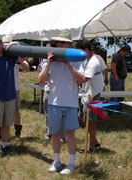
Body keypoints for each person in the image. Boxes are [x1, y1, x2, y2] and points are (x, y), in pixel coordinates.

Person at [38, 31, 84, 175]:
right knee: (55, 134)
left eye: (62, 43)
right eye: (57, 42)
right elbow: (40, 80)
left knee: (70, 134)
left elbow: (81, 79)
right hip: (54, 103)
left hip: (70, 103)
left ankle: (71, 163)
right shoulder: (48, 60)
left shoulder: (76, 60)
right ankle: (57, 161)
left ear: (69, 45)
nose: (58, 45)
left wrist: (68, 65)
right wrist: (49, 64)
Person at [77, 40, 105, 152]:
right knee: (82, 117)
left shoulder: (94, 62)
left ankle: (91, 146)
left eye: (80, 51)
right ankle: (95, 141)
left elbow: (85, 78)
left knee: (90, 120)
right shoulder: (85, 60)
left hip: (93, 94)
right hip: (86, 93)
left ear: (87, 50)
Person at [2, 36, 29, 138]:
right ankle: (1, 132)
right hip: (2, 88)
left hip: (14, 88)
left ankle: (17, 133)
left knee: (16, 110)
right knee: (2, 111)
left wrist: (20, 60)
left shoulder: (16, 58)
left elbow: (27, 68)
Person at [38, 42, 66, 141]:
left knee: (61, 115)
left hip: (59, 91)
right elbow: (40, 75)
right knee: (48, 114)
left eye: (49, 49)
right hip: (48, 90)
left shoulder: (61, 60)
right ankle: (48, 133)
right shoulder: (45, 61)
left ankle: (62, 136)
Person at [110, 45, 131, 110]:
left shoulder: (122, 57)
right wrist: (116, 76)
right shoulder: (117, 56)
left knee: (121, 94)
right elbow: (113, 66)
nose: (127, 54)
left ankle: (119, 108)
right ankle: (112, 109)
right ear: (124, 51)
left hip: (121, 78)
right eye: (127, 52)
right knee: (115, 94)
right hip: (117, 78)